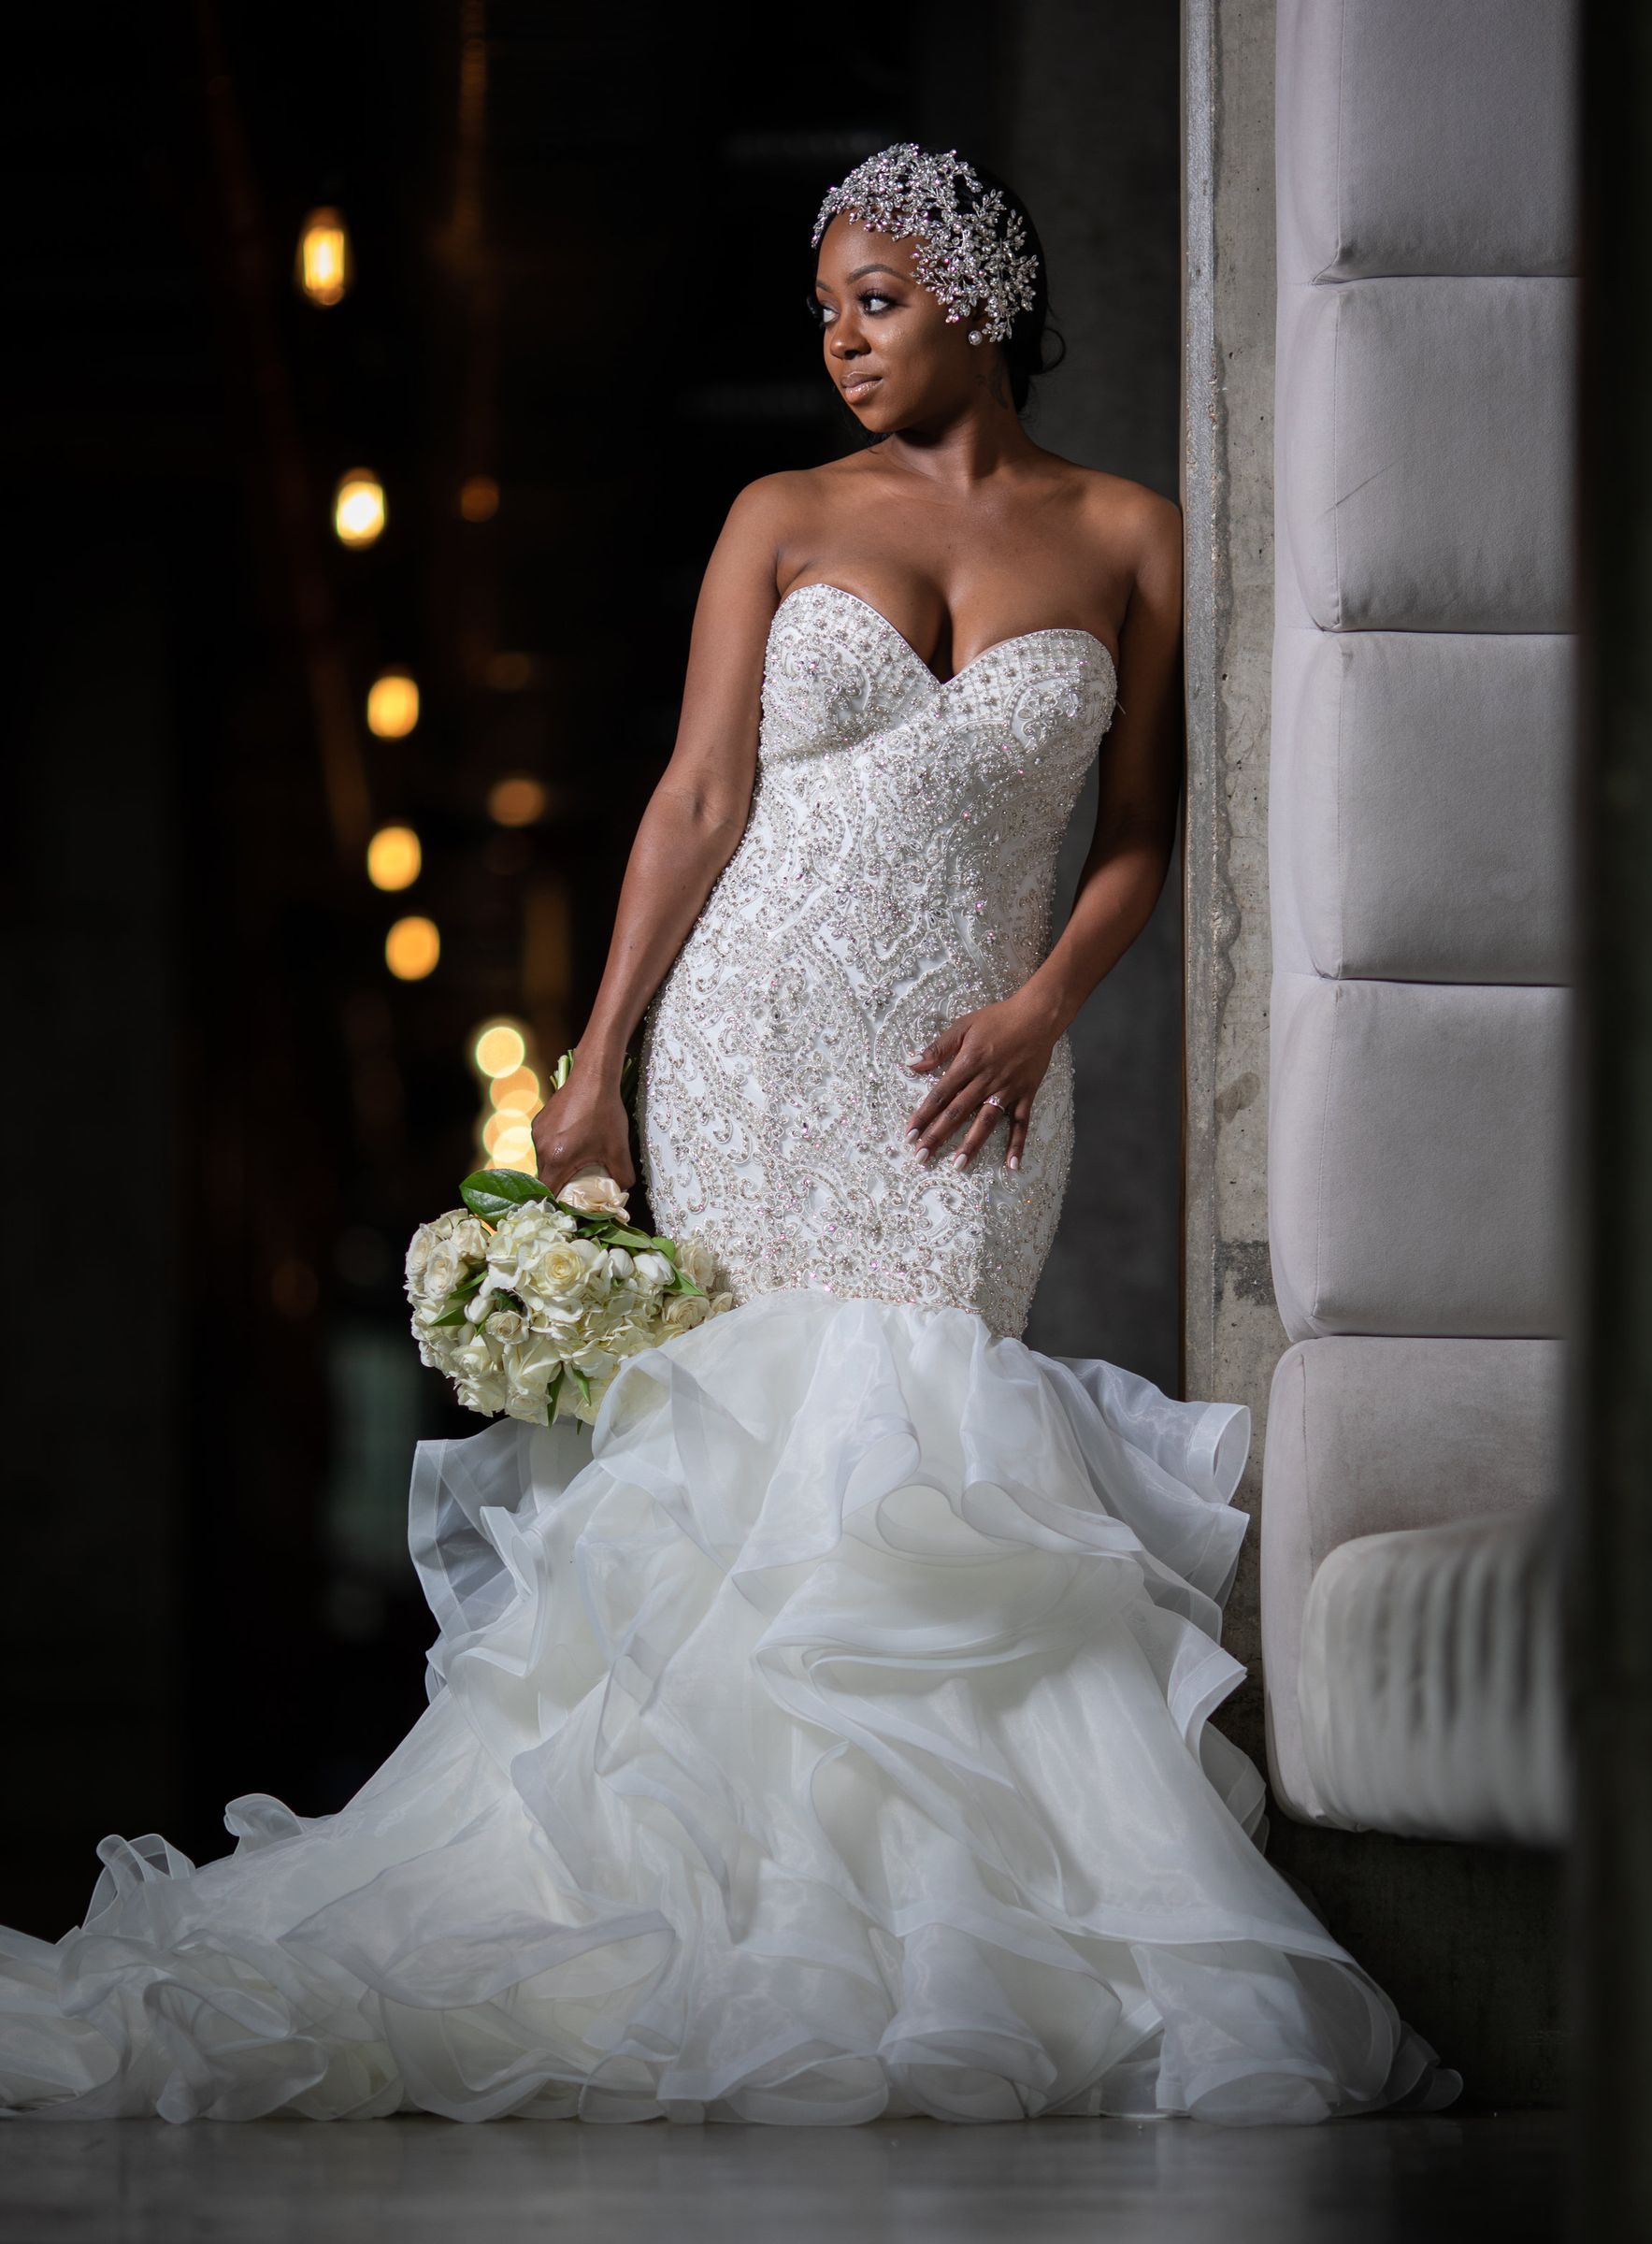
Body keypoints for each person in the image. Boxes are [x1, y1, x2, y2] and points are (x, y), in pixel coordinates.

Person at [0, 144, 1459, 2126]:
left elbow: (1140, 835)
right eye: (827, 310)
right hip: (755, 1040)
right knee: (757, 1450)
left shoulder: (1133, 531)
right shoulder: (779, 515)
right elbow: (697, 800)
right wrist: (595, 1059)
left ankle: (917, 1946)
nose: (844, 342)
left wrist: (1043, 1007)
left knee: (927, 1438)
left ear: (983, 298)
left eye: (879, 300)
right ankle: (725, 1935)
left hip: (972, 1062)